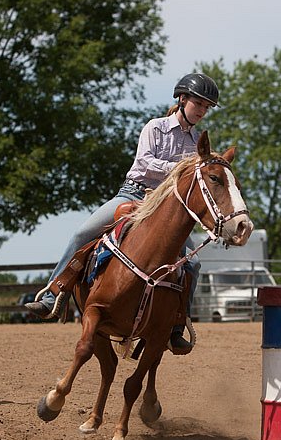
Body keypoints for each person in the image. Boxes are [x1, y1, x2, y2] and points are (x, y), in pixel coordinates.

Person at [24, 73, 220, 352]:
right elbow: (144, 161)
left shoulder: (197, 142)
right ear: (182, 99)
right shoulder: (155, 127)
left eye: (206, 107)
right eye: (198, 104)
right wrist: (181, 169)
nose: (201, 111)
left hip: (165, 206)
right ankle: (54, 295)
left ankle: (177, 324)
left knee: (194, 264)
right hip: (133, 194)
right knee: (82, 233)